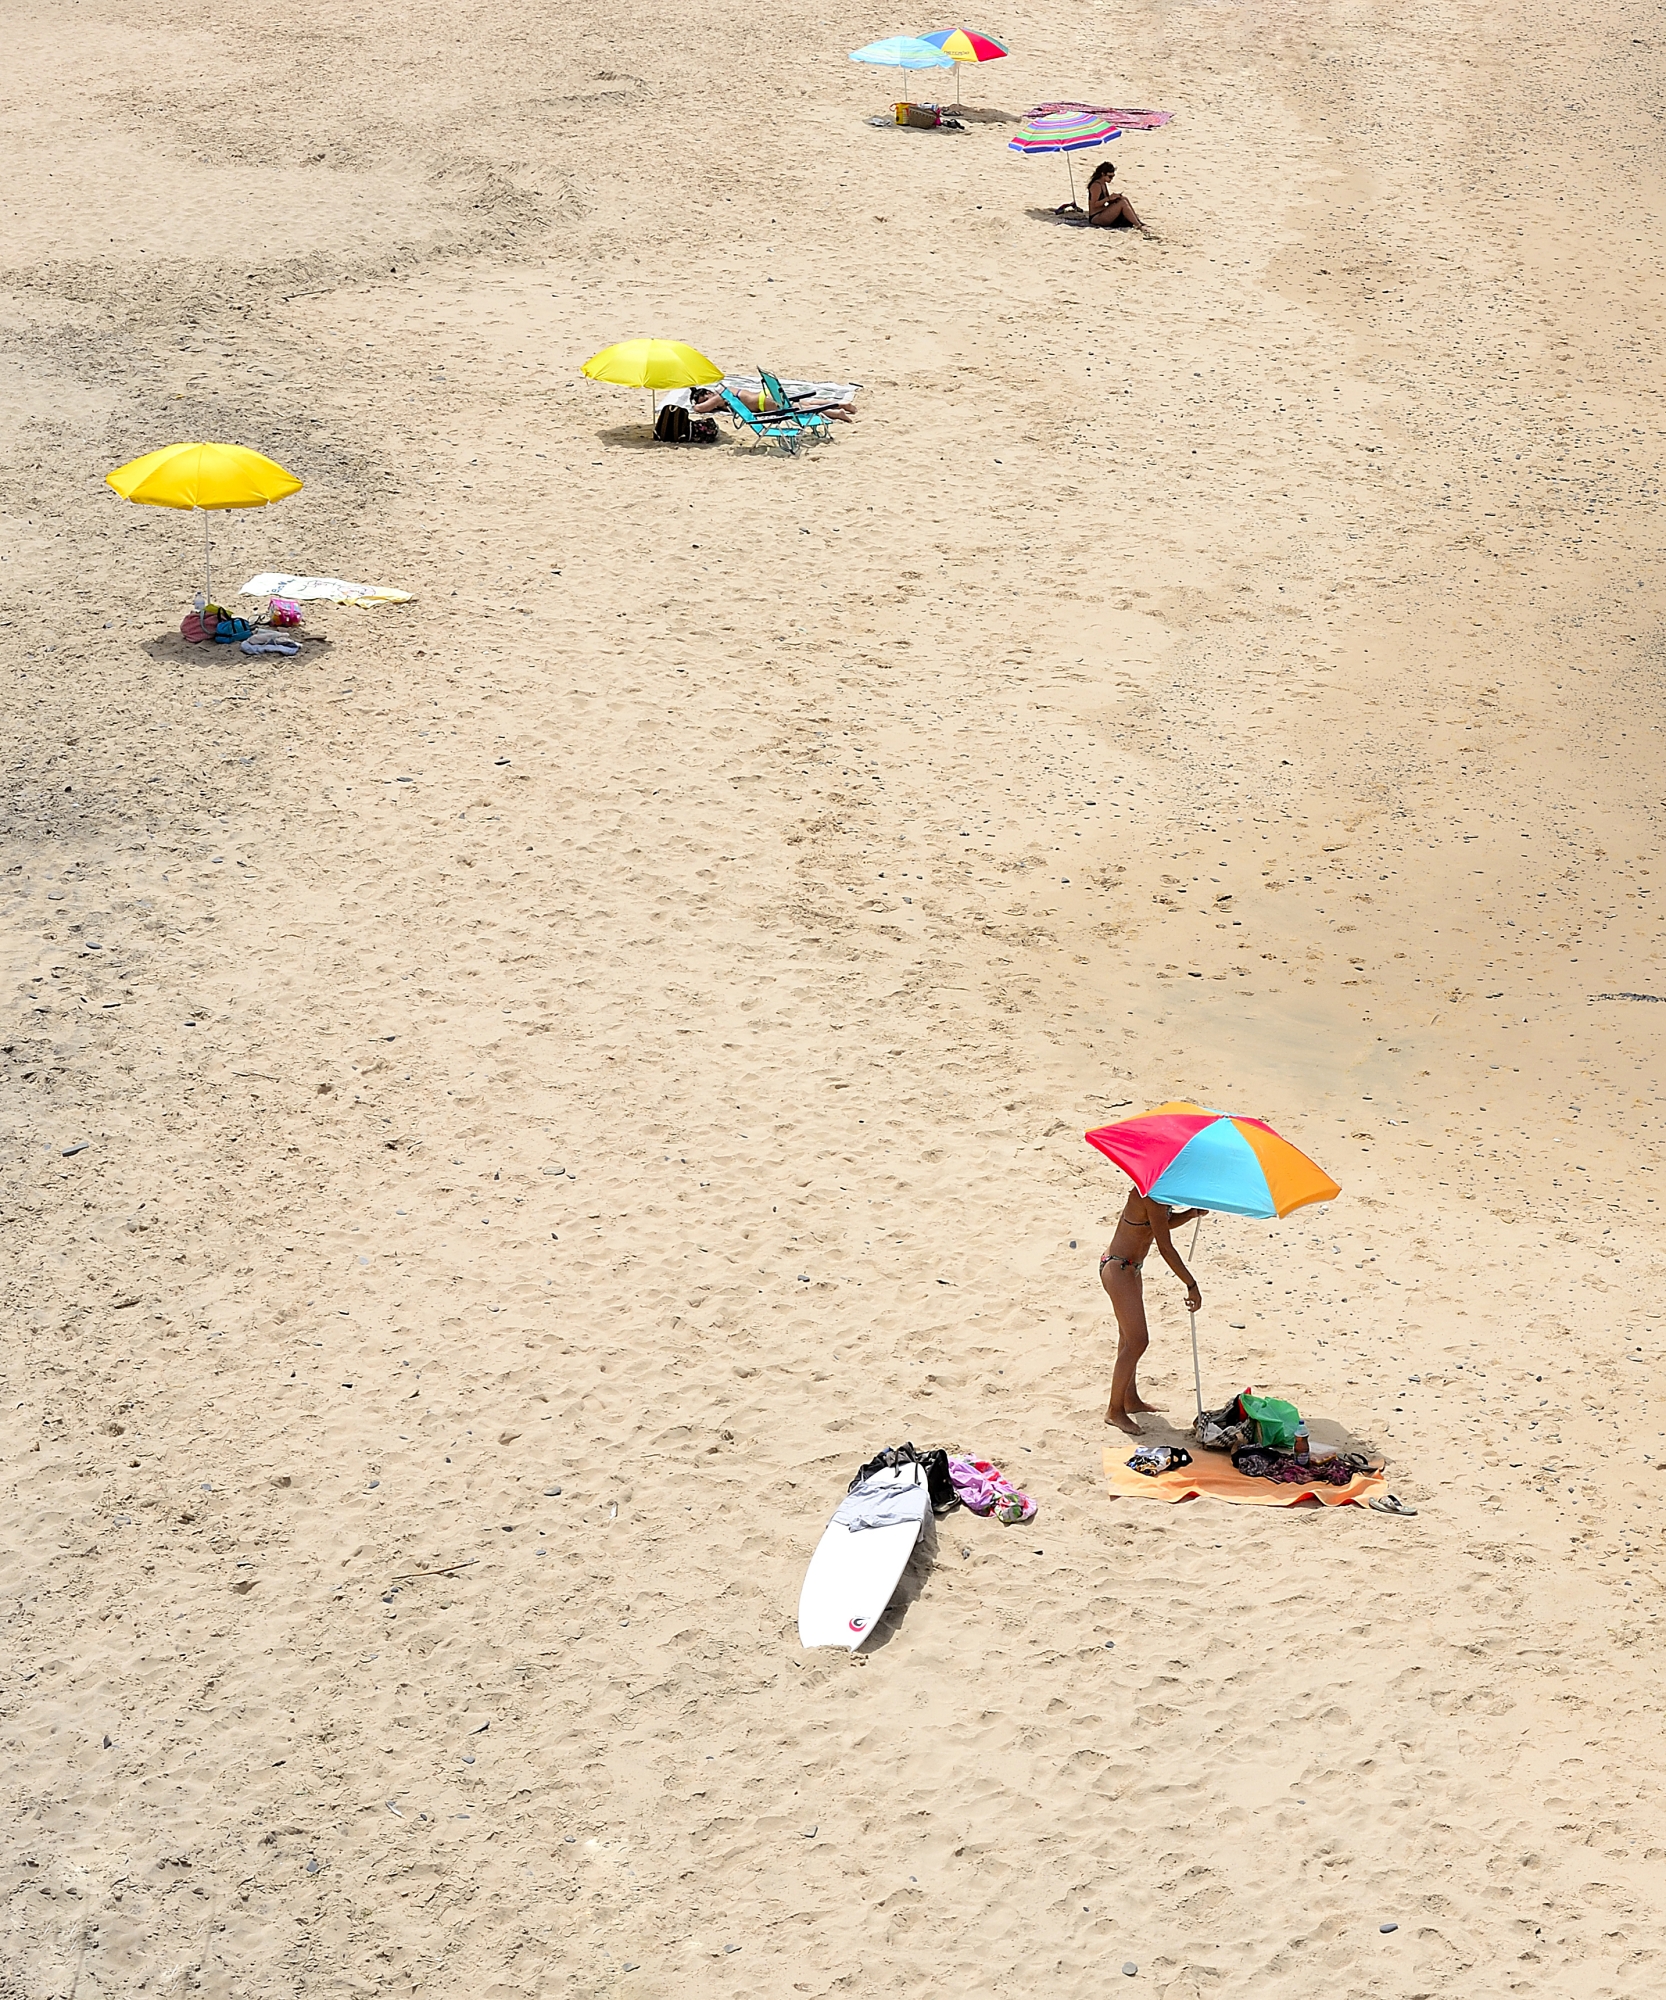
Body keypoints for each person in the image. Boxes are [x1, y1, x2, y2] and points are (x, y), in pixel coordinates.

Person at [1099, 1192, 1205, 1431]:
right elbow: (1165, 1247)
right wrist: (1191, 1284)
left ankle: (1130, 1399)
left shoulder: (1161, 1194)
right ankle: (1114, 1411)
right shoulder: (1150, 1195)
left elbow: (1160, 1225)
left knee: (1127, 1338)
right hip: (1118, 1267)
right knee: (1138, 1342)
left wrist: (1190, 1214)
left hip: (1131, 1268)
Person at [691, 382, 858, 423]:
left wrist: (696, 404)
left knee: (800, 409)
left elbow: (700, 409)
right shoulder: (728, 390)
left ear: (708, 393)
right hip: (765, 396)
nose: (707, 401)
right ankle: (841, 404)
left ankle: (836, 413)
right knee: (806, 403)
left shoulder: (720, 395)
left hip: (764, 403)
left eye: (705, 397)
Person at [1086, 159, 1143, 229]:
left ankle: (1137, 221)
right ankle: (1138, 225)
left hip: (1102, 211)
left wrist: (1114, 198)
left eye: (1113, 176)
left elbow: (1106, 201)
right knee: (1122, 203)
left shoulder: (1103, 183)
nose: (1111, 179)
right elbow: (1094, 204)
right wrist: (1108, 198)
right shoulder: (1096, 185)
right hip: (1096, 216)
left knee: (1123, 199)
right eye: (1110, 176)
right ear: (1103, 174)